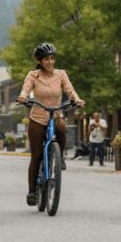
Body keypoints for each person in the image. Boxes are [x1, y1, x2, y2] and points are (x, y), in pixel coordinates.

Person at [17, 42, 84, 206]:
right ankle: (32, 191)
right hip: (38, 117)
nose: (50, 62)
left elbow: (69, 90)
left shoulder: (61, 74)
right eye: (46, 59)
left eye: (52, 58)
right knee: (36, 156)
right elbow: (26, 89)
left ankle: (59, 156)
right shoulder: (33, 75)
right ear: (40, 61)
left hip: (56, 114)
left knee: (61, 126)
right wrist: (23, 96)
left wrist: (77, 98)